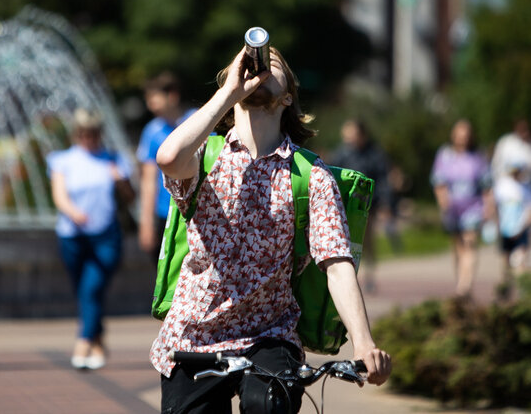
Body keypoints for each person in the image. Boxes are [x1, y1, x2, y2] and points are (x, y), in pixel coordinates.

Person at [151, 46, 391, 413]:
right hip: (194, 335)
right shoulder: (205, 156)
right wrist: (229, 93)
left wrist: (363, 343)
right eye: (249, 64)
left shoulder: (310, 176)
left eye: (271, 65)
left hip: (269, 333)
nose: (258, 69)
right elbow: (168, 158)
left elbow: (338, 265)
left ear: (287, 97)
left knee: (269, 404)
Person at [47, 109, 135, 370]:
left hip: (106, 235)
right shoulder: (62, 160)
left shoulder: (113, 159)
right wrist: (74, 212)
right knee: (84, 293)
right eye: (84, 133)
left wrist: (121, 181)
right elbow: (59, 195)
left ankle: (83, 342)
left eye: (94, 133)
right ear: (77, 134)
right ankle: (98, 343)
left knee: (92, 288)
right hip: (73, 235)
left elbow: (131, 198)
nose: (90, 138)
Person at [329, 119, 396, 291]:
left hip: (366, 208)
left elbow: (383, 181)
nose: (348, 138)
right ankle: (349, 279)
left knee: (367, 244)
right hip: (343, 207)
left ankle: (370, 277)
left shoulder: (375, 154)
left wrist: (386, 204)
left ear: (361, 135)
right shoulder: (341, 154)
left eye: (352, 133)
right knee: (344, 244)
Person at [137, 72, 196, 263]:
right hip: (166, 212)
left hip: (196, 209)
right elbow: (148, 181)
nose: (150, 105)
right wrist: (146, 222)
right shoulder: (152, 131)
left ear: (172, 96)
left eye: (154, 99)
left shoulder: (196, 122)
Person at [430, 119, 492, 300]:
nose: (463, 139)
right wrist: (443, 202)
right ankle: (461, 281)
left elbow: (486, 184)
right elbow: (438, 181)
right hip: (453, 208)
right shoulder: (445, 155)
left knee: (470, 244)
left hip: (473, 207)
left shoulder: (478, 157)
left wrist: (489, 207)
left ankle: (465, 287)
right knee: (458, 247)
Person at [492, 161, 531, 292]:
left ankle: (522, 291)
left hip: (520, 229)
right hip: (505, 228)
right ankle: (505, 289)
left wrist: (524, 227)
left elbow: (529, 209)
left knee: (520, 260)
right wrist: (496, 223)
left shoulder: (525, 188)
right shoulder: (502, 186)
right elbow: (495, 207)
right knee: (505, 260)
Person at [491, 118, 531, 182]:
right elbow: (496, 165)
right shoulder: (506, 143)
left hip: (525, 189)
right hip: (506, 186)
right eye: (522, 129)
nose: (524, 133)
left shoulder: (528, 147)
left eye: (525, 129)